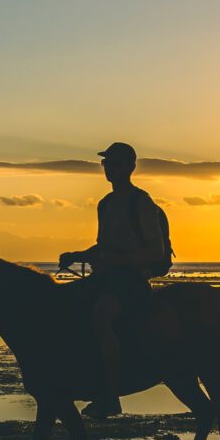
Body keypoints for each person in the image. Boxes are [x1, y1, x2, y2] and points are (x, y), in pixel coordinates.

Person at [59, 142, 166, 419]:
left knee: (101, 316)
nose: (109, 168)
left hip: (131, 281)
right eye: (106, 163)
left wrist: (116, 261)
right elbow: (102, 248)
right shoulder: (105, 204)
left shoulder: (141, 201)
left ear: (130, 167)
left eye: (115, 163)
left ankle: (110, 395)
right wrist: (77, 255)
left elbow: (157, 251)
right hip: (106, 278)